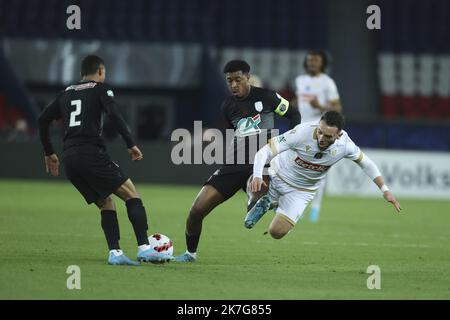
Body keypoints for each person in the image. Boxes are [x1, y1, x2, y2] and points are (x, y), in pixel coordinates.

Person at [37, 55, 172, 265]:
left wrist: (49, 152)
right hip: (91, 153)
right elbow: (114, 115)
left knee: (106, 202)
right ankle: (145, 248)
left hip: (70, 160)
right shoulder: (100, 89)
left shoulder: (65, 93)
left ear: (82, 72)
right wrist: (130, 143)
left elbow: (42, 119)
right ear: (100, 71)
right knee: (132, 195)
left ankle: (115, 253)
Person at [175, 60, 301, 262]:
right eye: (229, 81)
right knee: (196, 211)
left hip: (262, 164)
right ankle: (190, 253)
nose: (233, 85)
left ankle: (261, 200)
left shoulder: (268, 97)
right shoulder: (228, 106)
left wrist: (290, 143)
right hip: (233, 165)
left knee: (255, 195)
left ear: (248, 78)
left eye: (238, 79)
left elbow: (294, 114)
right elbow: (229, 133)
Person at [245, 111, 401, 238]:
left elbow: (367, 164)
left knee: (276, 233)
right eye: (320, 132)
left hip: (302, 191)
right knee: (254, 182)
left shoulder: (345, 145)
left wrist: (385, 190)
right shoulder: (302, 132)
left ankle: (272, 202)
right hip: (276, 175)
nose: (321, 138)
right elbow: (264, 151)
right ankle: (261, 198)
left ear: (338, 135)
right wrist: (258, 175)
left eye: (328, 136)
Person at [294, 50, 343, 222]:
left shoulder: (327, 82)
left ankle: (315, 208)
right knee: (297, 167)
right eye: (309, 60)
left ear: (322, 63)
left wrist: (320, 106)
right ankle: (295, 206)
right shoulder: (300, 80)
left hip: (319, 131)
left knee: (317, 170)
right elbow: (299, 102)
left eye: (315, 60)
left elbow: (337, 109)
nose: (312, 63)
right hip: (301, 128)